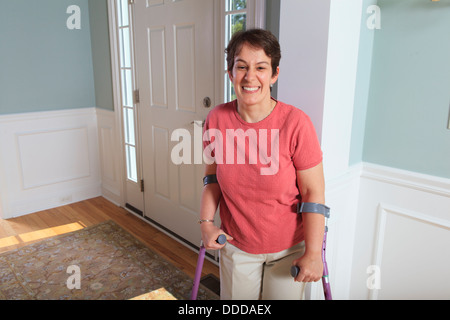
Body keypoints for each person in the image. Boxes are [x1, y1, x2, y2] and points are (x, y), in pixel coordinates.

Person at [199, 29, 326, 300]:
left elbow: (313, 194)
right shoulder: (216, 119)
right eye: (241, 66)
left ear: (274, 74)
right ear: (230, 73)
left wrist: (314, 254)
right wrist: (206, 222)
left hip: (289, 249)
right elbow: (212, 179)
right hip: (237, 246)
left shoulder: (296, 123)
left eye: (261, 67)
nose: (250, 76)